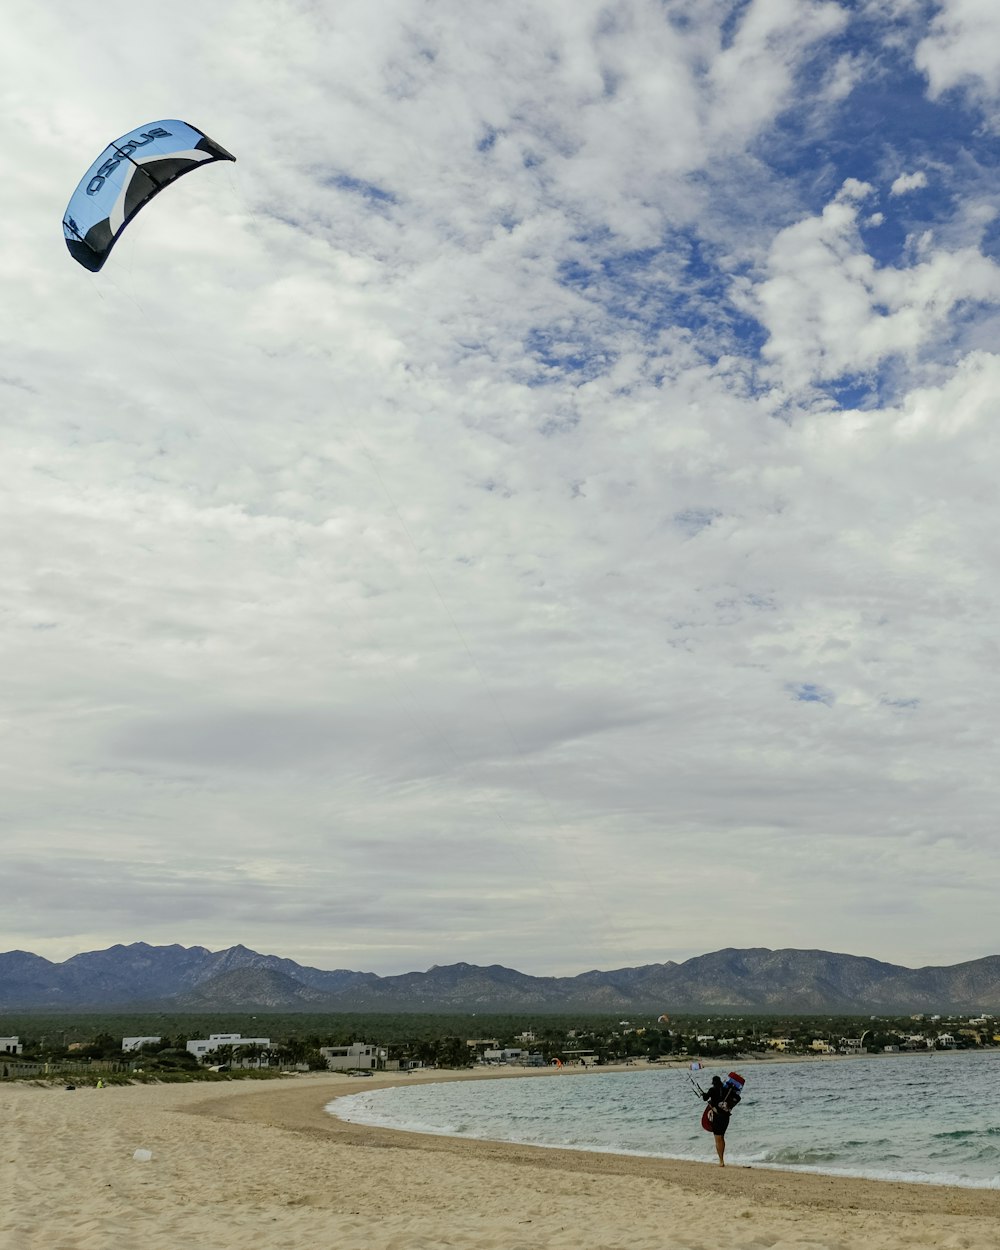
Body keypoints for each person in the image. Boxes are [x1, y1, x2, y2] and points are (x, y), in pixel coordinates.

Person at [701, 1075, 739, 1166]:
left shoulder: (712, 1090)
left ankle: (721, 1161)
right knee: (722, 1137)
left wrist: (703, 1094)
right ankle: (722, 1159)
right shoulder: (727, 1090)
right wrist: (729, 1106)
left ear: (713, 1083)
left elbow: (705, 1098)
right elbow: (738, 1098)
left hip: (717, 1117)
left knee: (718, 1139)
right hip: (726, 1117)